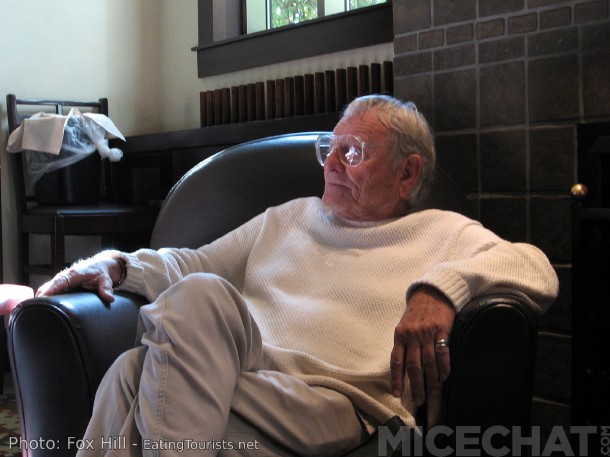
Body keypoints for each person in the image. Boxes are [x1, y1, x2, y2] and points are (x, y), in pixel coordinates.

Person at [37, 95, 558, 457]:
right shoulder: (287, 217)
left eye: (352, 152)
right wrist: (117, 264)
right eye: (328, 149)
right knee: (183, 312)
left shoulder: (442, 232)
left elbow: (535, 267)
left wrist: (440, 290)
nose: (330, 163)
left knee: (134, 372)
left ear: (407, 173)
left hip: (335, 402)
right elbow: (190, 264)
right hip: (244, 380)